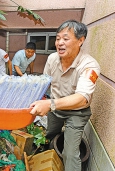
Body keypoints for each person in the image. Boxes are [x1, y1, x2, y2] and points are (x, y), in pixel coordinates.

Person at [29, 20, 100, 171]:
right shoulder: (52, 59)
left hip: (77, 112)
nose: (60, 43)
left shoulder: (89, 66)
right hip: (55, 108)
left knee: (70, 153)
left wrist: (50, 105)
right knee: (50, 135)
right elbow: (44, 82)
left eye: (66, 39)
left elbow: (81, 98)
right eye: (57, 38)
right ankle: (48, 160)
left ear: (81, 40)